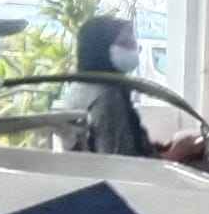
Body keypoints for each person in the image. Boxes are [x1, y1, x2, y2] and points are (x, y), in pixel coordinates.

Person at [64, 16, 201, 162]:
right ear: (100, 48)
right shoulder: (107, 95)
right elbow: (123, 164)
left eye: (133, 44)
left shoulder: (79, 87)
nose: (133, 50)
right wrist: (178, 152)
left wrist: (158, 149)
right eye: (124, 44)